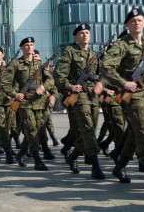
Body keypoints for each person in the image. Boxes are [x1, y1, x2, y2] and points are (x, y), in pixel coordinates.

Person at [102, 8, 144, 191]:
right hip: (133, 96)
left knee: (134, 132)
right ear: (127, 25)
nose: (136, 23)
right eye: (132, 21)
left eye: (139, 20)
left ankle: (120, 166)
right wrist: (124, 83)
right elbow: (106, 68)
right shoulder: (121, 45)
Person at [53, 23, 105, 178]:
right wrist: (70, 87)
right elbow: (58, 75)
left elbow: (101, 75)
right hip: (79, 95)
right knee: (88, 129)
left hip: (92, 95)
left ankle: (74, 155)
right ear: (75, 37)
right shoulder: (70, 52)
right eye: (81, 33)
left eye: (87, 32)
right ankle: (95, 166)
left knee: (90, 129)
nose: (85, 35)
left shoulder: (94, 55)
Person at [1, 37, 54, 170]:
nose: (30, 47)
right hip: (24, 102)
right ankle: (37, 159)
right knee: (31, 129)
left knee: (35, 129)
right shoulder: (16, 64)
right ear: (21, 48)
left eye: (31, 44)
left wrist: (44, 87)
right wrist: (14, 94)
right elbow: (4, 83)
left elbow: (50, 79)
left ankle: (21, 153)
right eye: (26, 45)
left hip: (38, 102)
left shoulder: (39, 64)